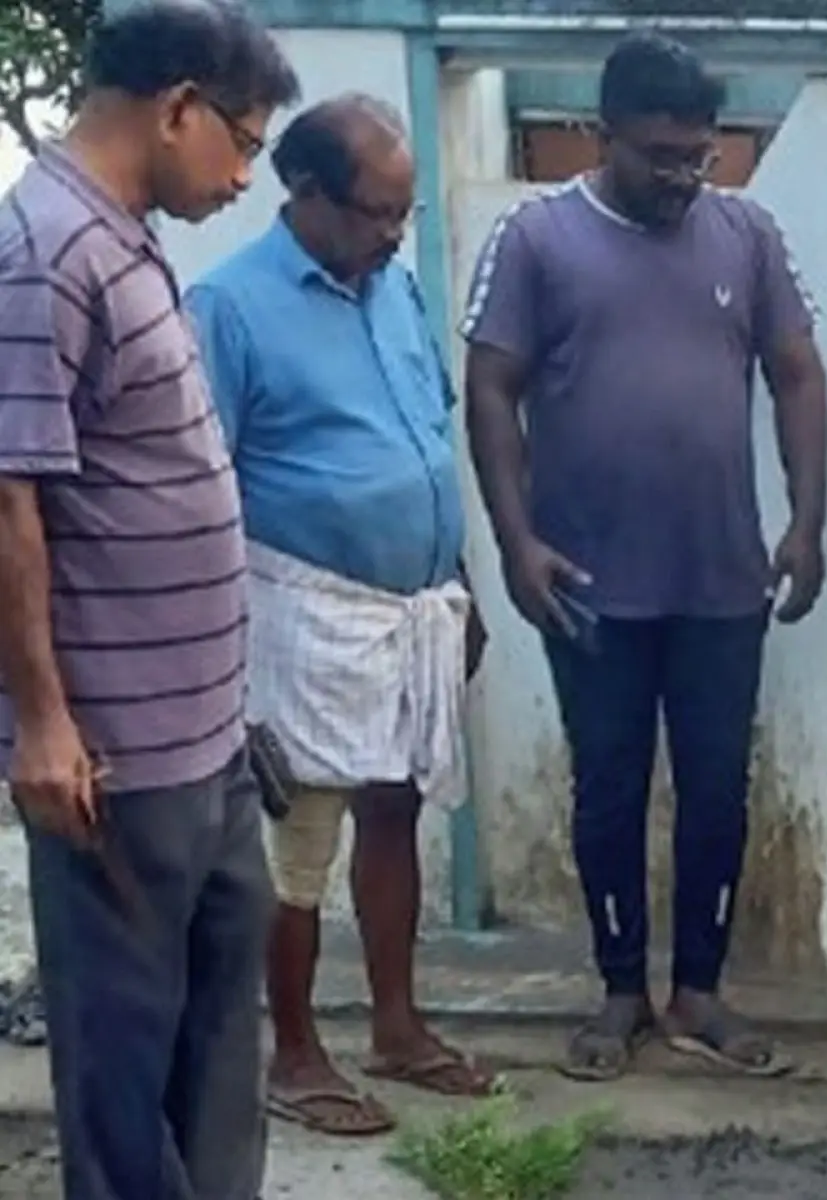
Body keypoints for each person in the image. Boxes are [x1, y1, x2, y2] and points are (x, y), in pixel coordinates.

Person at [461, 30, 827, 1082]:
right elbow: (492, 386)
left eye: (697, 155)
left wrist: (805, 520)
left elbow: (798, 372)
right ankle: (619, 990)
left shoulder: (748, 234)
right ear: (602, 133)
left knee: (718, 791)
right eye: (659, 155)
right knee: (608, 791)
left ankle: (699, 991)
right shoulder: (534, 237)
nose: (681, 176)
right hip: (588, 583)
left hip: (722, 581)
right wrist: (516, 538)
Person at [0, 1, 299, 1196]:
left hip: (202, 741)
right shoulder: (45, 251)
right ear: (178, 107)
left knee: (220, 1047)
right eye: (245, 142)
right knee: (126, 1073)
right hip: (113, 762)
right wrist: (44, 722)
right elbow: (8, 495)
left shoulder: (118, 234)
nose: (245, 177)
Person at [188, 94, 498, 1138]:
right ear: (306, 194)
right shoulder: (229, 309)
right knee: (296, 845)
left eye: (403, 213)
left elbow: (423, 443)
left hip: (411, 609)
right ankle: (297, 1051)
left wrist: (461, 584)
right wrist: (223, 671)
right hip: (298, 615)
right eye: (374, 212)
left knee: (395, 806)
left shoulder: (394, 289)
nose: (391, 233)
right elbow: (201, 492)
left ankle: (398, 1028)